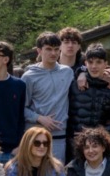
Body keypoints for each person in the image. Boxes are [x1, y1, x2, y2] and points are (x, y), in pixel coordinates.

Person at [24, 32, 76, 162]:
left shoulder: (67, 72)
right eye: (48, 49)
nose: (53, 53)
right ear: (39, 51)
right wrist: (39, 118)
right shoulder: (29, 76)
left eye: (56, 49)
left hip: (59, 136)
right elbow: (20, 108)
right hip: (35, 135)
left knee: (56, 175)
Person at [69, 43, 110, 136]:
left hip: (101, 145)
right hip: (74, 144)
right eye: (90, 62)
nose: (94, 66)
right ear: (85, 63)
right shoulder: (73, 86)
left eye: (98, 62)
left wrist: (94, 136)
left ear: (105, 64)